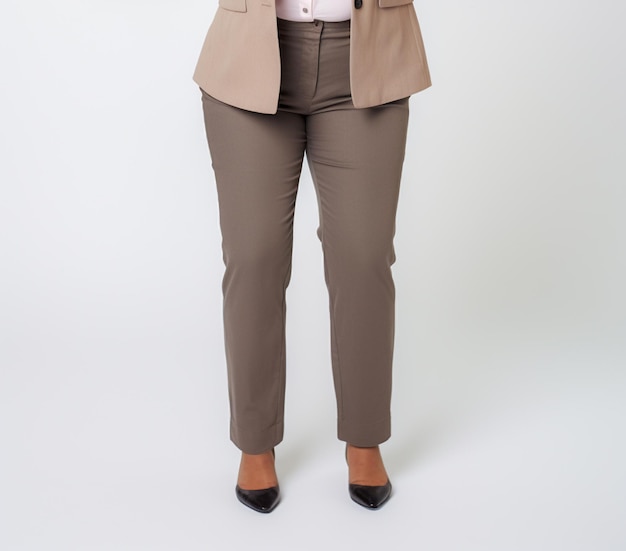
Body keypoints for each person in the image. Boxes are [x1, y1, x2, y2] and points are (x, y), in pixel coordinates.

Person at [193, 0, 431, 513]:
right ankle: (255, 442)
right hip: (250, 57)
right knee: (253, 258)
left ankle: (365, 438)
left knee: (362, 256)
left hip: (367, 59)